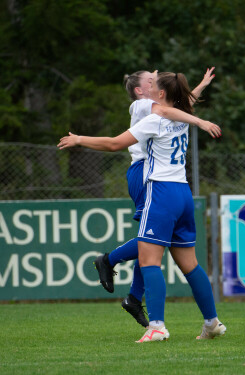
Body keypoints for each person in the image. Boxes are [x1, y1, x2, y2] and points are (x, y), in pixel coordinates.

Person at [57, 71, 226, 343]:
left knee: (149, 260)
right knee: (191, 266)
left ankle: (157, 326)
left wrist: (79, 140)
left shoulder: (154, 119)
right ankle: (212, 322)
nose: (151, 83)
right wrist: (201, 96)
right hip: (184, 192)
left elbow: (114, 144)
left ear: (160, 96)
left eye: (155, 84)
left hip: (161, 193)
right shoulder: (179, 113)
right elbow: (185, 104)